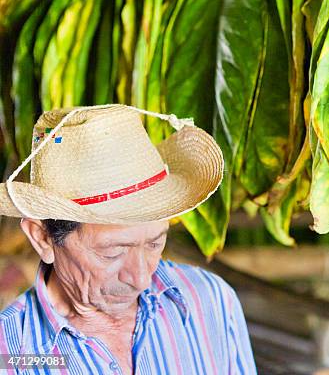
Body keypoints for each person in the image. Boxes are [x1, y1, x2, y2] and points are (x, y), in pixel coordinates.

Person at [0, 104, 257, 374]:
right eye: (113, 253)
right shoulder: (11, 356)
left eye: (155, 243)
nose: (141, 279)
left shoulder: (209, 299)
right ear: (42, 238)